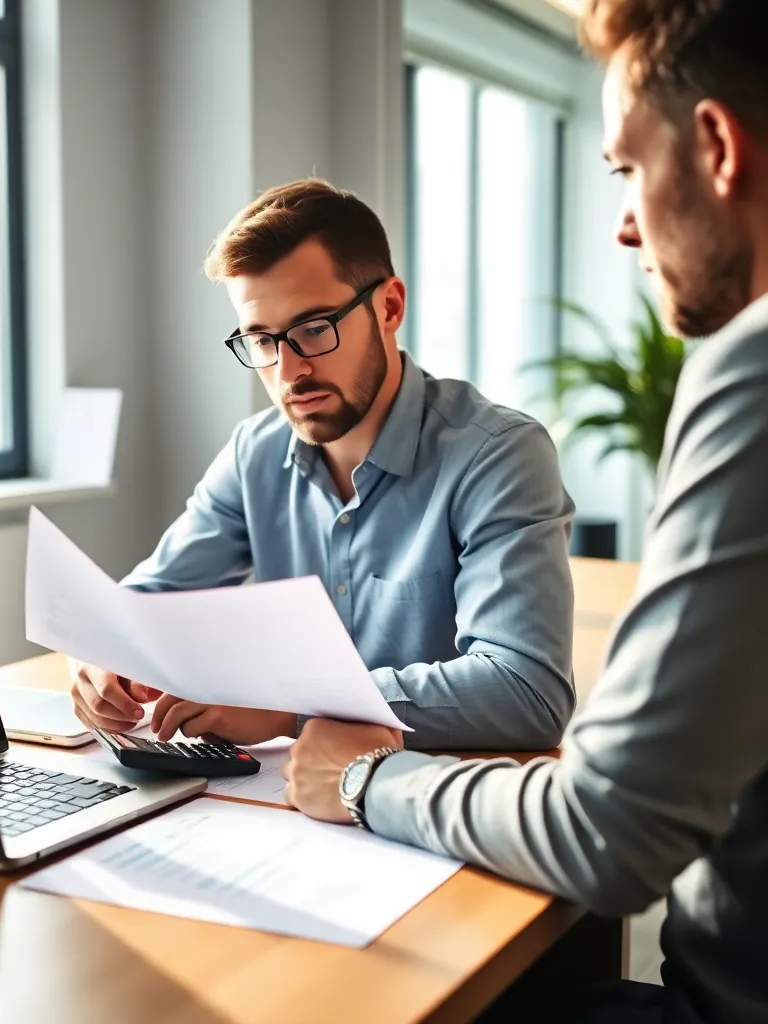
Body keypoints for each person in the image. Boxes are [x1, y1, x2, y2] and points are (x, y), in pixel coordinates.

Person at [283, 2, 768, 1021]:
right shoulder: (263, 450)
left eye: (626, 168)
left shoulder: (750, 374)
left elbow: (606, 833)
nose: (624, 223)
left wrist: (370, 779)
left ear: (717, 146)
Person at [71, 179, 576, 751]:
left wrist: (293, 705)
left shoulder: (499, 455)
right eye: (262, 339)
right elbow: (142, 606)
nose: (288, 372)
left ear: (389, 307)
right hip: (280, 801)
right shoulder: (253, 453)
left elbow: (527, 691)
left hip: (433, 805)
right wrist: (99, 656)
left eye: (313, 329)